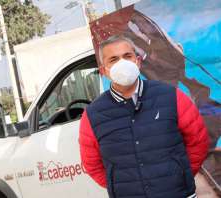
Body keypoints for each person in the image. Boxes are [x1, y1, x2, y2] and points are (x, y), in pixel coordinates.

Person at [79, 35, 210, 198]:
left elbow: (198, 141)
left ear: (138, 61)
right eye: (113, 59)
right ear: (103, 71)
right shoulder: (93, 115)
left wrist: (180, 175)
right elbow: (92, 164)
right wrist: (121, 185)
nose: (122, 63)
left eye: (127, 56)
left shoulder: (171, 96)